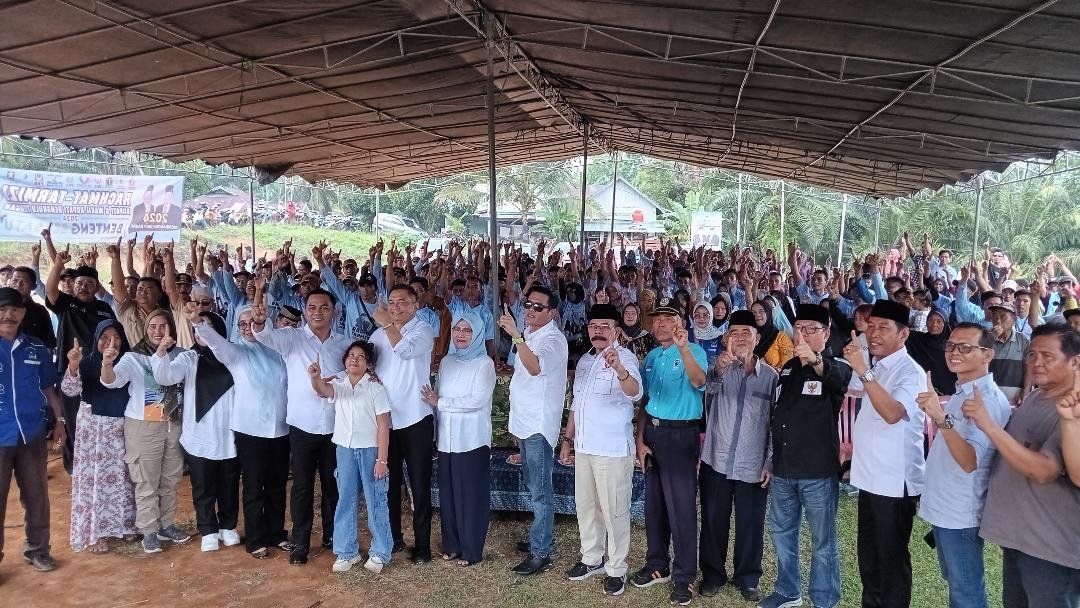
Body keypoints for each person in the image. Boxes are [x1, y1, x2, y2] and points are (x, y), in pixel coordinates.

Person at [976, 324, 1080, 608]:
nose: (1036, 362)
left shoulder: (1073, 407)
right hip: (1022, 539)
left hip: (1051, 548)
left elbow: (1044, 470)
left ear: (1075, 362)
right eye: (1032, 354)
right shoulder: (1037, 395)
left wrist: (989, 426)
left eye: (1047, 356)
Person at [761, 304, 852, 608]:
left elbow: (836, 379)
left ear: (825, 334)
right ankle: (788, 591)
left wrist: (813, 359)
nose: (801, 334)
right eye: (797, 328)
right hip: (785, 470)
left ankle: (824, 600)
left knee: (822, 543)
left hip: (817, 473)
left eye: (810, 329)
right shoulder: (788, 368)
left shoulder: (836, 365)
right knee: (782, 535)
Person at [251, 288, 352, 565]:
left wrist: (339, 377)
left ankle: (333, 535)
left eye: (324, 307)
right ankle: (300, 543)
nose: (318, 312)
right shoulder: (291, 339)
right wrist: (259, 322)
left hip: (335, 425)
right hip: (302, 425)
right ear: (305, 311)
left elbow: (356, 371)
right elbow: (264, 335)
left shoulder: (344, 344)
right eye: (312, 307)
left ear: (334, 311)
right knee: (302, 487)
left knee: (333, 484)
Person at [916, 322, 1012, 608]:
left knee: (966, 591)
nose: (954, 352)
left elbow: (970, 461)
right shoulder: (963, 392)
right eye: (951, 345)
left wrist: (939, 417)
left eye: (965, 347)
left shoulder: (987, 400)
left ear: (987, 355)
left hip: (961, 513)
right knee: (957, 582)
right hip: (946, 508)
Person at [842, 299, 926, 608]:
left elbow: (892, 413)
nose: (874, 334)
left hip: (894, 484)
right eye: (871, 326)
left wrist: (864, 371)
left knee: (890, 566)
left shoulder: (909, 372)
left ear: (903, 334)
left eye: (883, 328)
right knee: (870, 562)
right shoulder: (878, 366)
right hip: (871, 480)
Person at [558, 304, 643, 596]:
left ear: (616, 330)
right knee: (587, 506)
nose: (598, 331)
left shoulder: (627, 358)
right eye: (593, 326)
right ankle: (592, 558)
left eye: (604, 326)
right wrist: (567, 440)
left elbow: (635, 392)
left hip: (612, 449)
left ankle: (617, 568)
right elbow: (576, 405)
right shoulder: (584, 361)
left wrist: (619, 368)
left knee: (614, 510)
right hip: (584, 447)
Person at [195, 305, 290, 559]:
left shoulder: (277, 351)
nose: (248, 327)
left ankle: (276, 533)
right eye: (242, 324)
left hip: (280, 428)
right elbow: (215, 343)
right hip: (250, 430)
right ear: (237, 329)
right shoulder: (236, 352)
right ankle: (256, 539)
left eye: (252, 322)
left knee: (277, 485)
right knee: (253, 486)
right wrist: (198, 323)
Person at [632, 297, 708, 606]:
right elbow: (645, 401)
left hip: (680, 436)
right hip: (653, 434)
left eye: (669, 318)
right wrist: (640, 440)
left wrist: (684, 348)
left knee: (681, 510)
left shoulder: (695, 351)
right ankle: (657, 565)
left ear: (681, 324)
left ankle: (684, 576)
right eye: (657, 319)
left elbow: (700, 380)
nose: (661, 323)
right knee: (655, 507)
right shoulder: (650, 356)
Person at [698, 310, 777, 603]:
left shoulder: (770, 377)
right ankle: (712, 575)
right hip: (716, 460)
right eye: (734, 333)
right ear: (725, 339)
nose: (741, 338)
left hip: (752, 464)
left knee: (751, 524)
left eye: (747, 333)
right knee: (713, 521)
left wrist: (769, 461)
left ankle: (747, 577)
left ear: (757, 339)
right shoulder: (717, 369)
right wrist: (718, 370)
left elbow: (774, 423)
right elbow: (706, 399)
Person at [100, 310, 191, 554]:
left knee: (171, 478)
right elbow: (112, 381)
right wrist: (107, 364)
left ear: (171, 328)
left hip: (173, 423)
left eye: (163, 326)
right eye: (152, 326)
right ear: (145, 328)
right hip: (144, 425)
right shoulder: (134, 357)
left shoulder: (181, 355)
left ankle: (167, 524)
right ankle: (149, 530)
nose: (158, 331)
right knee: (146, 479)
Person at [152, 310, 240, 553]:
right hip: (199, 435)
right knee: (203, 486)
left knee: (229, 484)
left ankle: (228, 526)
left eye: (207, 326)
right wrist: (161, 352)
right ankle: (208, 529)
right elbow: (166, 376)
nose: (201, 332)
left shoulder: (231, 356)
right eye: (197, 328)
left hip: (229, 433)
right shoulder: (189, 358)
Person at [499, 284, 568, 576]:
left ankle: (541, 552)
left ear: (552, 312)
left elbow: (535, 368)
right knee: (532, 483)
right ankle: (540, 538)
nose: (530, 310)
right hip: (526, 422)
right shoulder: (531, 334)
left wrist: (515, 335)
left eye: (538, 307)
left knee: (540, 490)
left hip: (539, 425)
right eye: (528, 304)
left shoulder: (554, 340)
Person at [309, 340, 393, 575]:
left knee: (376, 500)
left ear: (369, 364)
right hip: (344, 450)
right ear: (345, 361)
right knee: (345, 499)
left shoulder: (375, 388)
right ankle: (347, 552)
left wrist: (382, 460)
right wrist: (315, 377)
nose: (355, 359)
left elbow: (383, 425)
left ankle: (380, 552)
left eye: (361, 357)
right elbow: (322, 390)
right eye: (351, 356)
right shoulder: (339, 384)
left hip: (370, 451)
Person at [421, 313, 495, 567]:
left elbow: (477, 401)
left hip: (471, 440)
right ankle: (452, 545)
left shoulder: (484, 363)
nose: (461, 334)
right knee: (449, 495)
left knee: (470, 497)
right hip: (447, 441)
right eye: (457, 329)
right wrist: (436, 413)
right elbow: (436, 395)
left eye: (467, 330)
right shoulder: (447, 361)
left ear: (477, 335)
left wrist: (440, 403)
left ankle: (471, 550)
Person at [0, 287, 65, 573]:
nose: (8, 314)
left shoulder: (35, 348)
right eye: (2, 309)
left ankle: (38, 550)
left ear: (23, 313)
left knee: (37, 495)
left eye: (14, 309)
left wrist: (60, 422)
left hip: (31, 434)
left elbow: (49, 388)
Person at [369, 285, 436, 563]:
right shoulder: (377, 335)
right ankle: (394, 537)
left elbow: (405, 351)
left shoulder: (423, 330)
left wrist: (386, 324)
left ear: (415, 305)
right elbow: (371, 363)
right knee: (389, 483)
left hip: (416, 418)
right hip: (387, 421)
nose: (395, 307)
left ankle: (422, 546)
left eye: (403, 303)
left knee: (419, 486)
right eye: (392, 302)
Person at [60, 319, 138, 553]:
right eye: (104, 337)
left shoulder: (129, 362)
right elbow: (70, 390)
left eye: (116, 337)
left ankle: (125, 525)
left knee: (123, 478)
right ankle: (95, 534)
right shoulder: (86, 362)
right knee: (95, 480)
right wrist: (73, 366)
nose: (110, 342)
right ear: (96, 339)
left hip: (122, 426)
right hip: (94, 429)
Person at [45, 250, 115, 474]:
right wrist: (57, 265)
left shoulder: (104, 308)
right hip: (71, 373)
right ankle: (74, 465)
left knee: (97, 418)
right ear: (74, 286)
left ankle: (98, 462)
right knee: (72, 421)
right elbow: (50, 291)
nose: (83, 286)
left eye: (89, 283)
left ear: (96, 287)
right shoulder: (66, 304)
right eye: (80, 283)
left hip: (99, 372)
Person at [987, 304, 1030, 405]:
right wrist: (988, 342)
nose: (997, 321)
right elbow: (979, 366)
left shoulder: (1023, 340)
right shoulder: (985, 339)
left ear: (1014, 320)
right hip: (989, 398)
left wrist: (1026, 391)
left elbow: (1028, 368)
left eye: (1003, 317)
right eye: (994, 317)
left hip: (1014, 399)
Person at [752, 299, 794, 371]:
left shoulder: (780, 336)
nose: (757, 315)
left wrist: (768, 369)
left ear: (768, 313)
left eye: (761, 311)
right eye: (754, 312)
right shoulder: (748, 336)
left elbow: (787, 364)